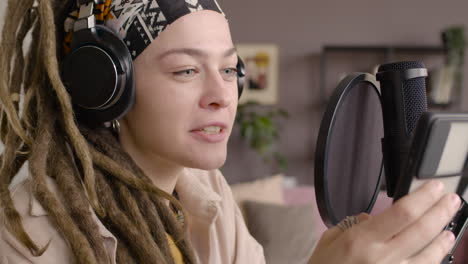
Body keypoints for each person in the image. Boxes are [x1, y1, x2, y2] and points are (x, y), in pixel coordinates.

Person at [0, 0, 461, 263]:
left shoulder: (207, 195)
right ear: (104, 87)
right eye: (185, 71)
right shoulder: (25, 237)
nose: (222, 94)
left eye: (229, 69)